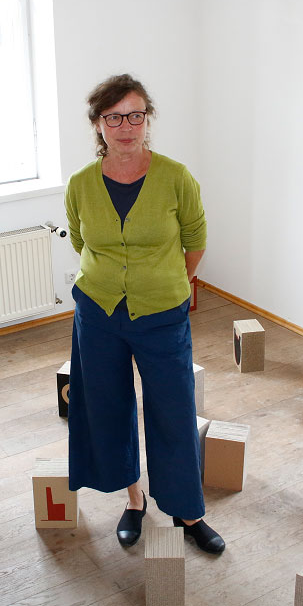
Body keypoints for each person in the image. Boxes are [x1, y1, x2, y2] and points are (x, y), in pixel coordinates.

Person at [64, 74, 225, 554]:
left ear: (148, 119)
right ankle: (133, 500)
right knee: (109, 408)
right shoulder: (80, 185)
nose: (126, 126)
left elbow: (195, 240)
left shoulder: (176, 177)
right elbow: (80, 239)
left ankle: (189, 511)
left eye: (135, 115)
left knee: (173, 411)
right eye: (114, 117)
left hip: (161, 315)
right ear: (98, 125)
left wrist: (170, 283)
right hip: (98, 312)